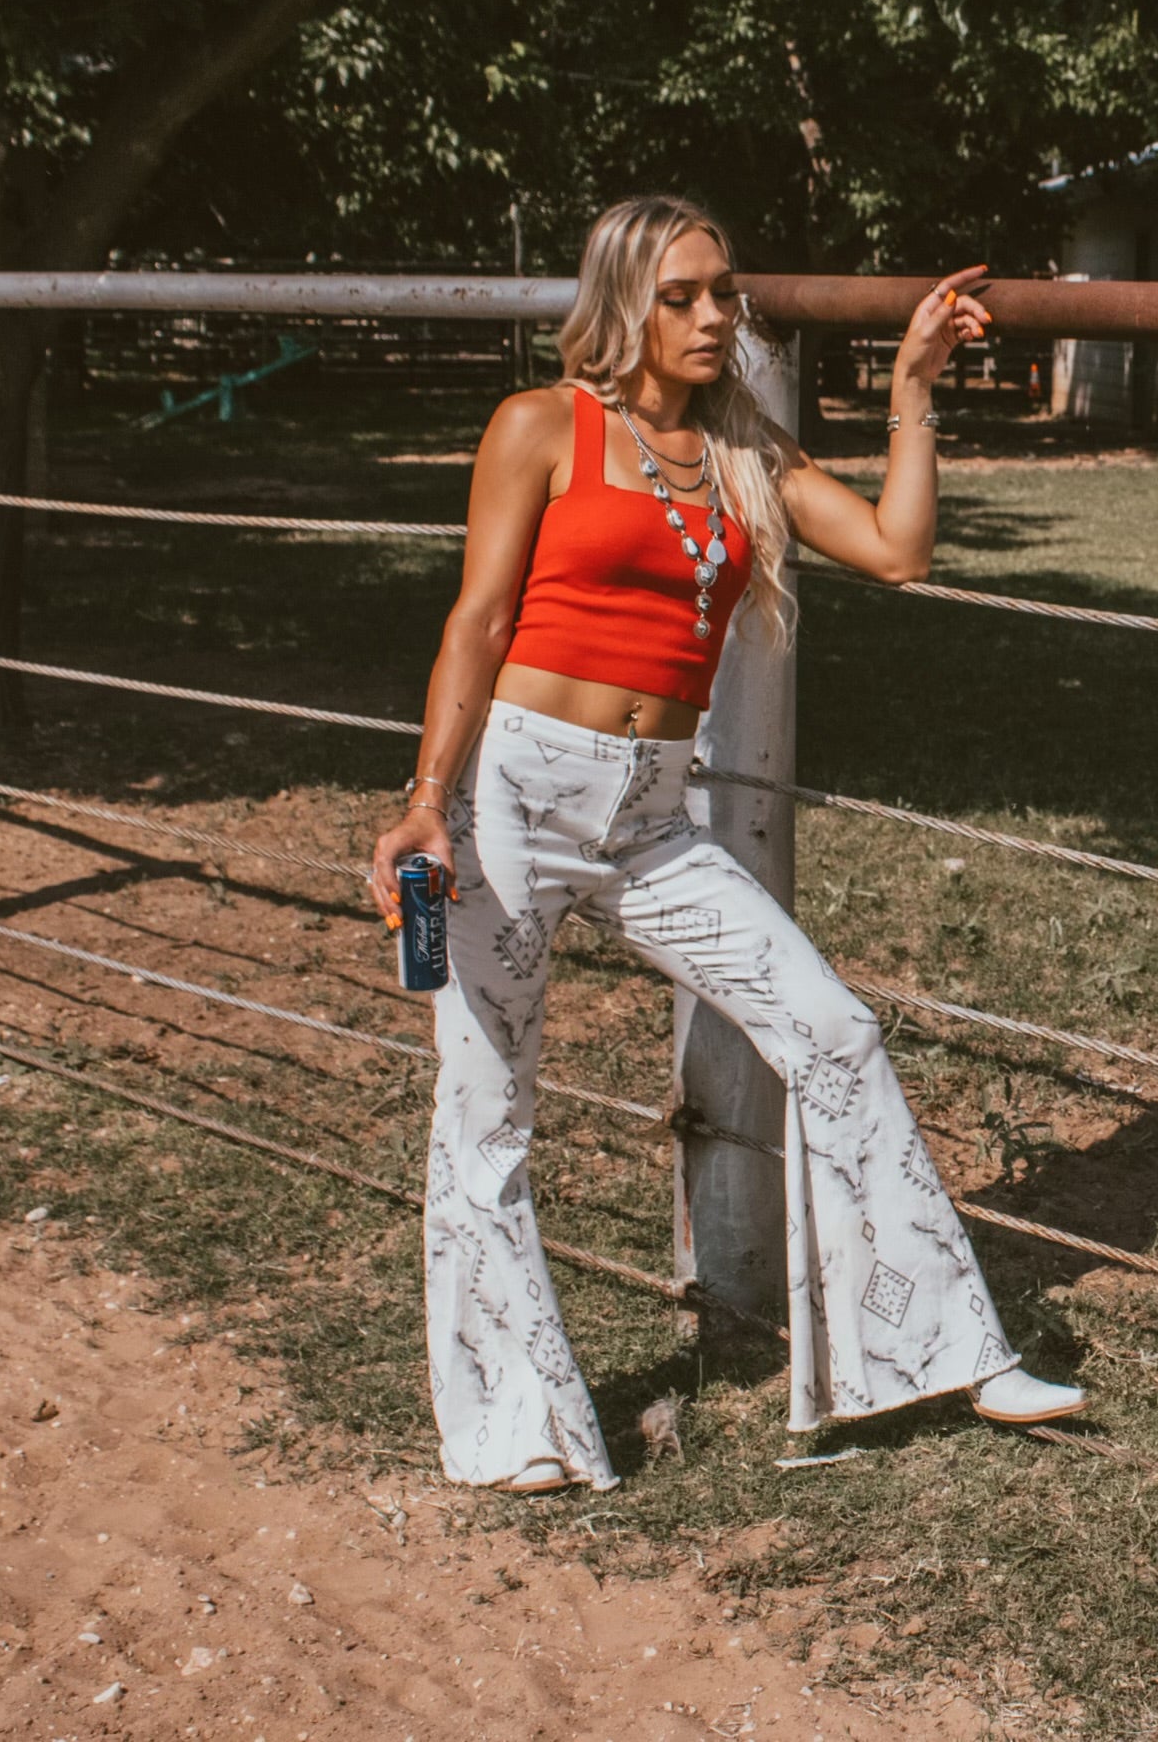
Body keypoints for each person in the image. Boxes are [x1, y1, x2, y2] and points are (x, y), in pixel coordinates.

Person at [369, 194, 1082, 1495]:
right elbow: (476, 623)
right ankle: (515, 1424)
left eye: (724, 293)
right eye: (684, 295)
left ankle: (936, 1355)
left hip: (651, 818)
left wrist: (914, 392)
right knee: (488, 1117)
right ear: (623, 299)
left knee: (833, 1030)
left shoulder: (742, 450)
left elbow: (900, 552)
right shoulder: (544, 427)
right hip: (513, 800)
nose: (714, 317)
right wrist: (427, 797)